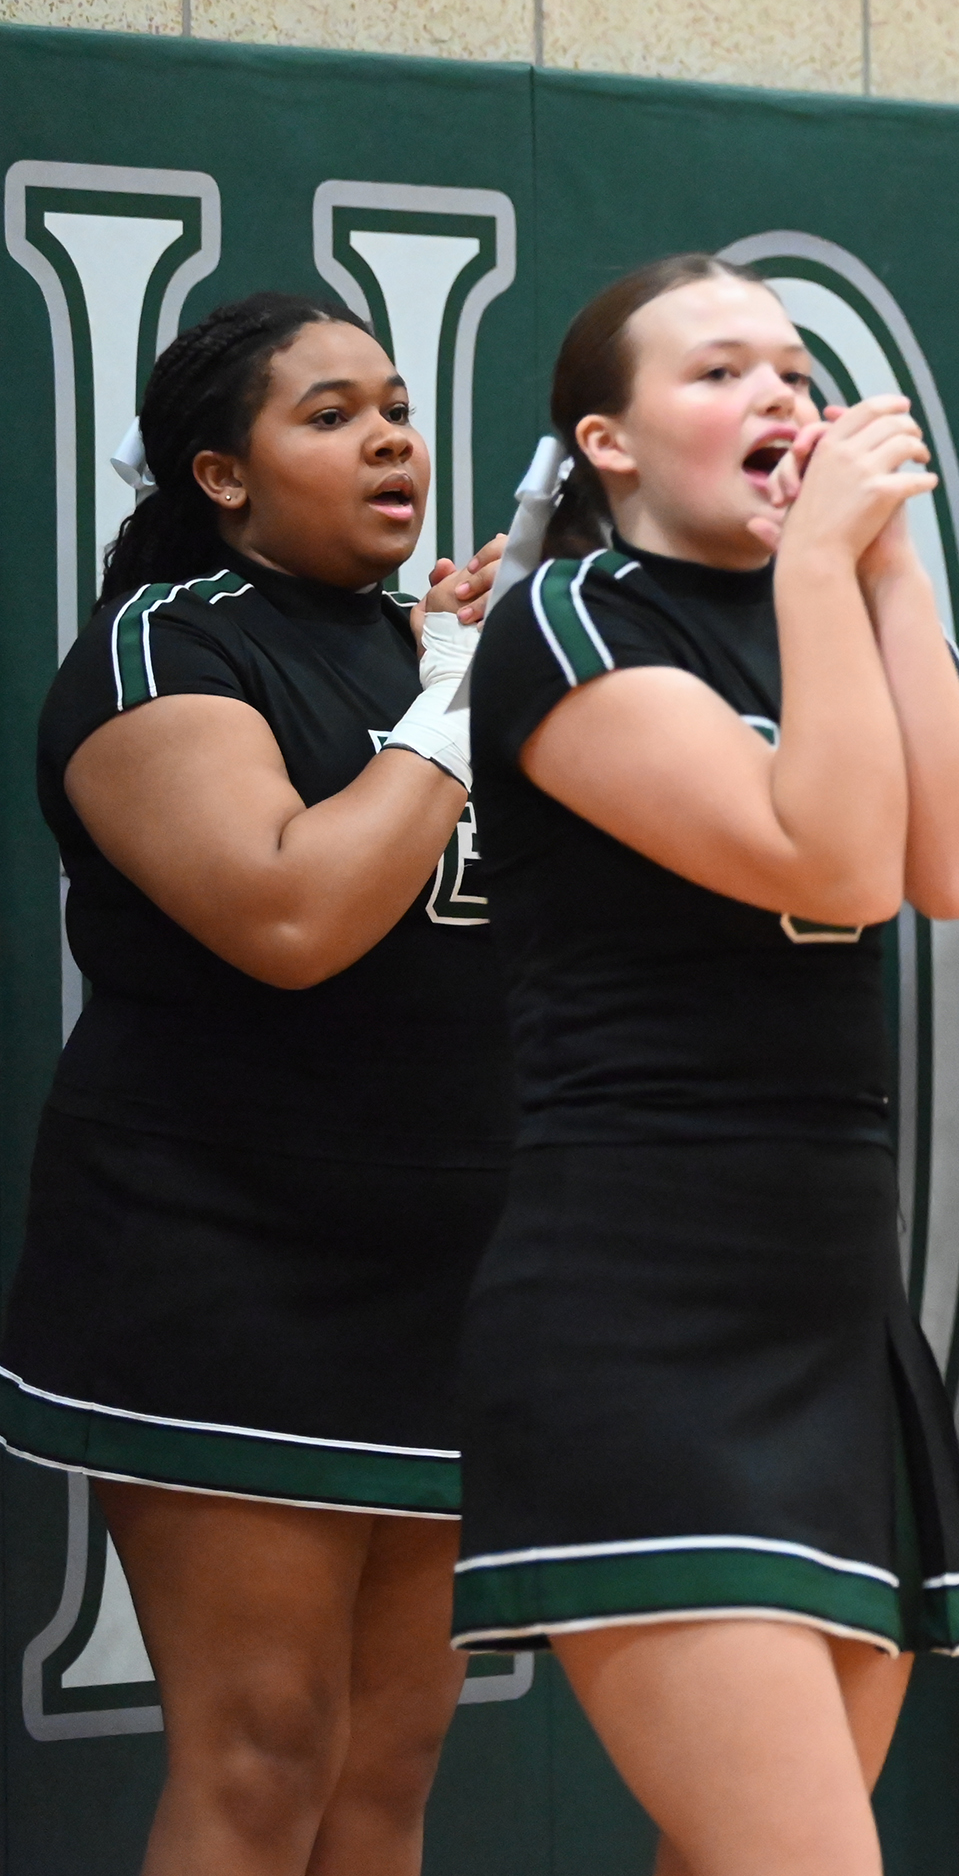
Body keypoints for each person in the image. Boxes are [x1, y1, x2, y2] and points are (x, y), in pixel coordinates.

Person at [454, 254, 959, 1876]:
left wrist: (888, 572)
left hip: (832, 1306)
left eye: (791, 366)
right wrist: (826, 576)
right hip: (640, 1316)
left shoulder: (832, 600)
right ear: (607, 444)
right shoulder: (564, 626)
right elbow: (830, 864)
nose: (777, 396)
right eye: (716, 373)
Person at [0, 291, 503, 1876]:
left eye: (399, 407)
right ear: (223, 475)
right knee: (266, 1749)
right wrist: (458, 701)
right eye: (333, 412)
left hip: (450, 1277)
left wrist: (467, 668)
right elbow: (293, 916)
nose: (392, 439)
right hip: (225, 1268)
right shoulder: (164, 650)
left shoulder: (427, 647)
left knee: (391, 1763)